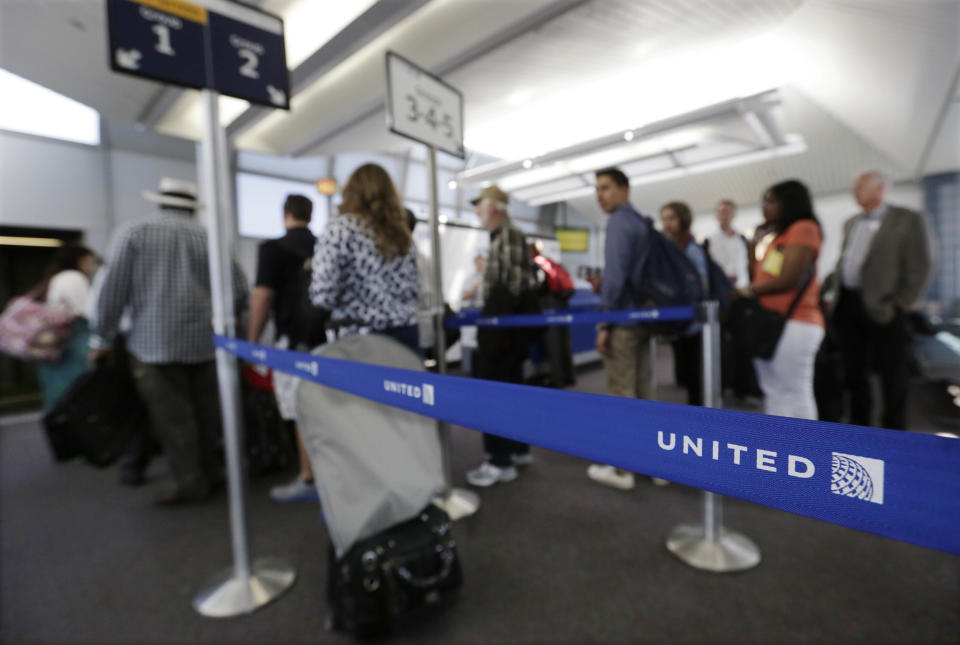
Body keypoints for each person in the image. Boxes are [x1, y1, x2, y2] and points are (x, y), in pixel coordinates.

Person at [90, 178, 249, 505]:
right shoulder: (211, 238)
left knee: (173, 421)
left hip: (152, 345)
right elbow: (238, 291)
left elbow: (112, 291)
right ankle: (211, 474)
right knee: (206, 415)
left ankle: (192, 485)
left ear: (160, 201)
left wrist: (101, 338)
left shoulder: (133, 232)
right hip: (206, 344)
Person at [830, 171, 932, 429]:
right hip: (849, 305)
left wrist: (901, 301)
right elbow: (847, 262)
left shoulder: (906, 219)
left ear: (880, 189)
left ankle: (893, 431)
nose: (856, 193)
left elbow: (919, 264)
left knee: (893, 374)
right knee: (853, 372)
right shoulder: (851, 222)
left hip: (884, 306)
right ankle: (859, 426)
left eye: (860, 187)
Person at [248, 194, 321, 503]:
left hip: (293, 341)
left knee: (301, 410)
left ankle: (309, 477)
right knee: (324, 409)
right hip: (329, 342)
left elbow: (263, 298)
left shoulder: (273, 250)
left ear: (286, 214)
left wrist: (251, 342)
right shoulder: (324, 246)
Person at [464, 185, 537, 487]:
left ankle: (499, 460)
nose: (477, 210)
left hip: (503, 333)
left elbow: (510, 289)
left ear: (494, 206)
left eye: (479, 204)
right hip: (509, 333)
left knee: (494, 394)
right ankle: (516, 450)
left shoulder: (507, 236)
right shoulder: (504, 236)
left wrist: (498, 333)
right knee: (511, 390)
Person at [734, 180, 824, 420]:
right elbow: (763, 274)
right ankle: (781, 447)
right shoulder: (779, 236)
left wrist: (748, 291)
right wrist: (753, 246)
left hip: (795, 321)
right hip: (774, 323)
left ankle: (805, 451)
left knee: (795, 391)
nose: (765, 207)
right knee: (774, 391)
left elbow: (789, 278)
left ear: (789, 202)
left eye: (771, 201)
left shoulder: (804, 227)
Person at [309, 164, 420, 354]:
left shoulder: (340, 229)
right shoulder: (402, 235)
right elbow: (414, 290)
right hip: (406, 334)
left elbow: (323, 295)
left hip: (361, 336)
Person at [588, 168, 654, 491]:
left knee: (621, 393)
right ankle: (653, 463)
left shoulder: (617, 223)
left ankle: (621, 468)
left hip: (624, 322)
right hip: (644, 320)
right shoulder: (641, 222)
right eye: (597, 189)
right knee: (644, 391)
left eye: (607, 188)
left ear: (625, 189)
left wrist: (605, 323)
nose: (601, 195)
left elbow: (614, 280)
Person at [34, 245, 99, 412]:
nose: (93, 268)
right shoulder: (73, 277)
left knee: (58, 394)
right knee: (77, 393)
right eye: (91, 262)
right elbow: (88, 311)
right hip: (72, 344)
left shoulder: (54, 278)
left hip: (55, 345)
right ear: (80, 261)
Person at [659, 201, 707, 406]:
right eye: (664, 219)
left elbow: (701, 284)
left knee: (696, 372)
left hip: (692, 319)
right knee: (687, 370)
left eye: (671, 219)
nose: (667, 224)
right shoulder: (671, 247)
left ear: (683, 220)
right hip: (679, 317)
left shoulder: (691, 249)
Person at [529, 241, 575, 387]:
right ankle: (569, 377)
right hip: (562, 302)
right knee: (564, 342)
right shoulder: (550, 261)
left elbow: (538, 285)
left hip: (549, 304)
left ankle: (558, 380)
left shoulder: (536, 263)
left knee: (553, 343)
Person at [405, 209, 437, 358]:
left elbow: (423, 293)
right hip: (414, 327)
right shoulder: (421, 257)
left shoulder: (416, 259)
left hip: (412, 328)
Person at [705, 199, 749, 288]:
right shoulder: (709, 241)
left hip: (743, 286)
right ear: (716, 215)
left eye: (726, 212)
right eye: (720, 212)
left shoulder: (742, 239)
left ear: (733, 214)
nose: (723, 216)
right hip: (721, 288)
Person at [458, 254, 486, 376]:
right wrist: (473, 289)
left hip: (484, 317)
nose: (480, 265)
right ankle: (467, 374)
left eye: (482, 262)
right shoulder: (469, 279)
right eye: (478, 263)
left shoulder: (488, 279)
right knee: (468, 346)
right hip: (471, 317)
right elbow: (463, 297)